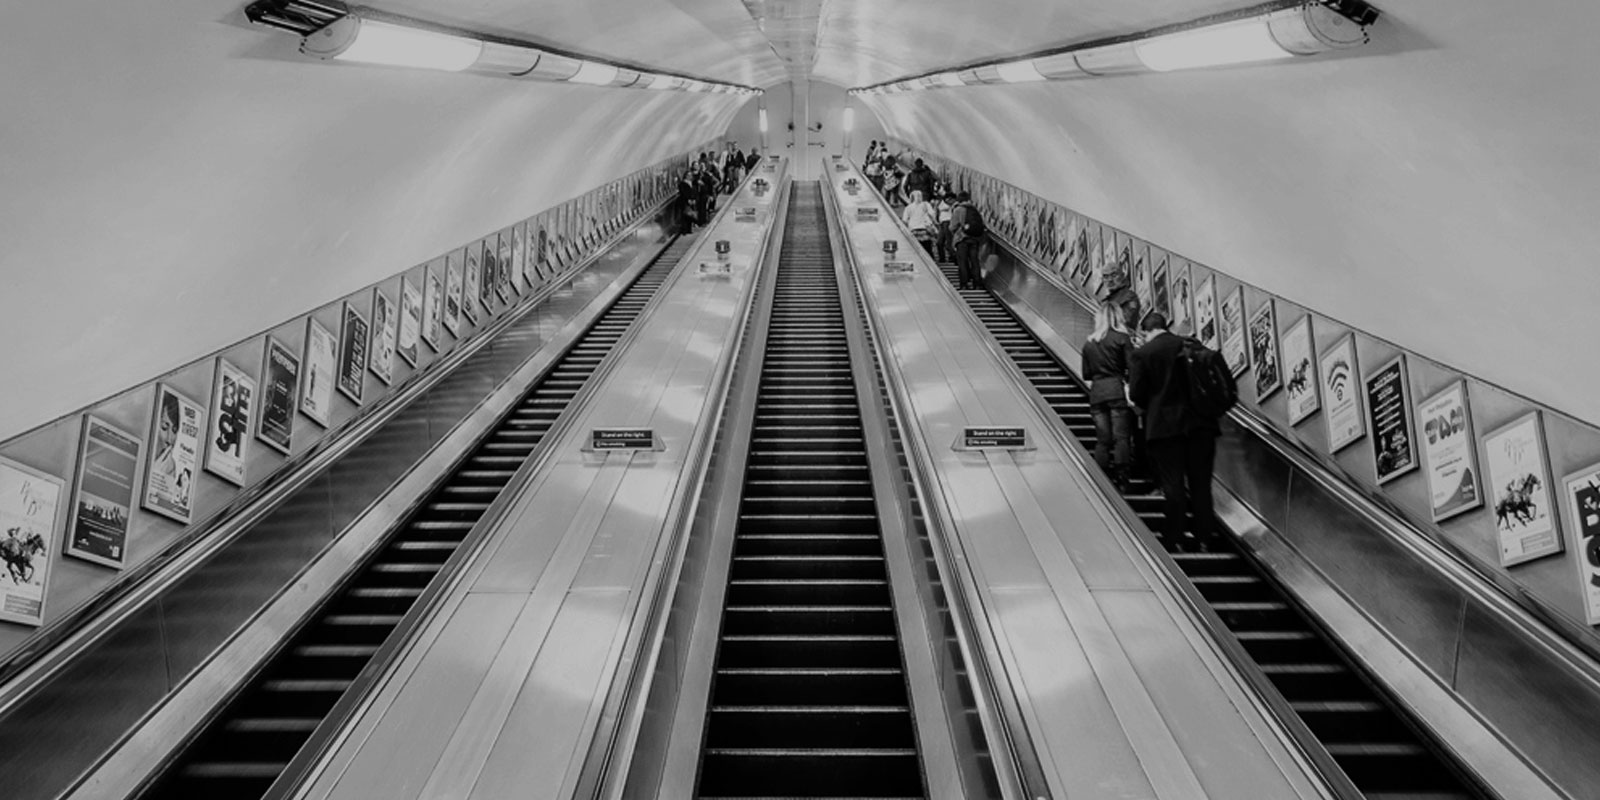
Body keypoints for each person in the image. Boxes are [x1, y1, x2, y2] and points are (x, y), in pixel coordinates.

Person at [1129, 312, 1221, 549]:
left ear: (1146, 332)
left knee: (1173, 485)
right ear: (1165, 327)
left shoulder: (1143, 354)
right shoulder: (1192, 346)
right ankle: (1204, 539)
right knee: (1201, 486)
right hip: (1202, 427)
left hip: (1165, 429)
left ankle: (1175, 538)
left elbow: (1137, 394)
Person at [1081, 302, 1136, 490]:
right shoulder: (1122, 339)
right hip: (1116, 390)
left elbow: (1086, 374)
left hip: (1097, 393)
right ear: (1117, 317)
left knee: (1103, 439)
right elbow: (1131, 366)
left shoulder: (1089, 343)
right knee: (1121, 437)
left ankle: (1102, 478)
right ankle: (1122, 478)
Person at [950, 192, 984, 290]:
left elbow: (952, 226)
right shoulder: (974, 209)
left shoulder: (958, 210)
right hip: (974, 239)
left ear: (958, 200)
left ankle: (964, 284)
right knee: (974, 261)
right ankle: (977, 284)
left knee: (963, 262)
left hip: (962, 239)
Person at [901, 190, 937, 257]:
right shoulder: (926, 205)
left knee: (915, 251)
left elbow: (904, 221)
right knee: (928, 250)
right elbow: (932, 214)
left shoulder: (908, 208)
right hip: (925, 230)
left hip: (913, 230)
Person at [934, 192, 955, 263]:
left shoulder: (952, 205)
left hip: (947, 222)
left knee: (947, 243)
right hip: (942, 223)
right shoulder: (942, 204)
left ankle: (953, 257)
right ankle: (943, 258)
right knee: (940, 242)